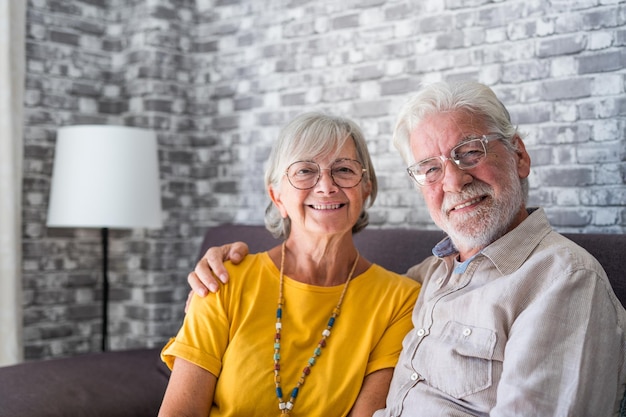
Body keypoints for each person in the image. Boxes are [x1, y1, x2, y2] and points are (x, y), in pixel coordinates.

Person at [188, 81, 626, 416]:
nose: (453, 181)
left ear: (520, 156)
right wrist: (221, 269)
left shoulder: (563, 281)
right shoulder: (429, 277)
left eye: (470, 152)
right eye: (430, 168)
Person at [158, 112, 420, 417]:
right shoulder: (223, 279)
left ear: (366, 188)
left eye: (344, 170)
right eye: (305, 171)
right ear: (277, 196)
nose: (326, 186)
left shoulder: (400, 300)